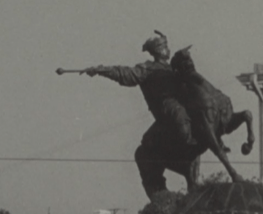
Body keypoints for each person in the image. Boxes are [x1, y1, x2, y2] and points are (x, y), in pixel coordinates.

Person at [84, 32, 196, 195]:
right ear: (158, 50)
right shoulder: (148, 69)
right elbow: (125, 73)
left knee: (144, 153)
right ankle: (164, 192)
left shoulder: (171, 68)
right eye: (164, 46)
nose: (168, 49)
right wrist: (102, 70)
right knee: (146, 150)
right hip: (174, 118)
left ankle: (165, 191)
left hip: (173, 119)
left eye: (167, 46)